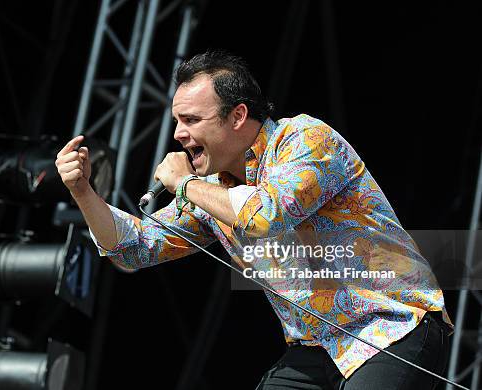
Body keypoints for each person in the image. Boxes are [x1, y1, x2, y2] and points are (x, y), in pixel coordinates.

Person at [55, 50, 453, 389]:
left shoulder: (305, 140)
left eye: (191, 120)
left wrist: (184, 182)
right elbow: (134, 249)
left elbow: (266, 215)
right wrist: (84, 193)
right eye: (177, 120)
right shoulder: (210, 189)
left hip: (394, 325)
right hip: (315, 348)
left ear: (237, 116)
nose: (177, 134)